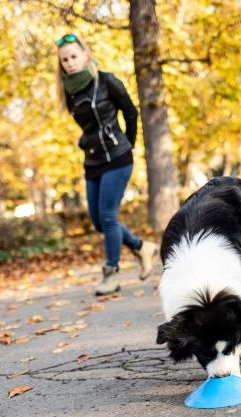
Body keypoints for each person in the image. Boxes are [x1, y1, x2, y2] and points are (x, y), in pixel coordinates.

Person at [55, 33, 158, 295]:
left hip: (118, 156)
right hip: (93, 160)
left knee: (109, 216)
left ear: (85, 55)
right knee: (99, 222)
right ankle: (141, 246)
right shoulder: (69, 92)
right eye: (65, 59)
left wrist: (131, 141)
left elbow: (130, 111)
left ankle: (111, 274)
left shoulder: (107, 81)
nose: (70, 62)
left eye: (74, 56)